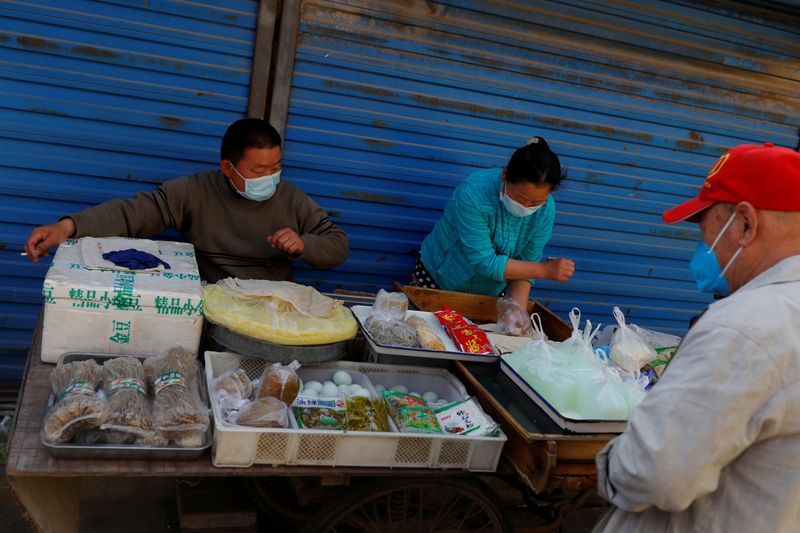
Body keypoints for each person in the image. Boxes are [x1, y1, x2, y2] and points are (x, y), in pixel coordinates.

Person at [594, 142, 800, 532]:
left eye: (707, 234)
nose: (703, 250)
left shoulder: (744, 324)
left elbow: (653, 471)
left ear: (745, 224)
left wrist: (611, 463)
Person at [24, 118, 348, 282]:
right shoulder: (193, 191)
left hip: (271, 315)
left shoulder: (291, 199)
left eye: (276, 167)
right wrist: (67, 227)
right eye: (259, 169)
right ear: (227, 167)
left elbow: (337, 245)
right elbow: (133, 213)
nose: (270, 176)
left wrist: (305, 244)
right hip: (208, 307)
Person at [410, 136, 574, 307]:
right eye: (521, 198)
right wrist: (545, 270)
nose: (526, 206)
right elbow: (485, 262)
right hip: (440, 278)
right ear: (505, 175)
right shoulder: (474, 193)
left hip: (489, 292)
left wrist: (517, 309)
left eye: (535, 202)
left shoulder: (546, 211)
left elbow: (526, 265)